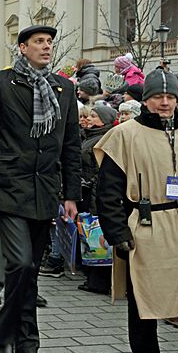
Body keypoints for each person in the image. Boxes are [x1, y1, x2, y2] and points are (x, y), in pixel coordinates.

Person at [0, 25, 80, 353]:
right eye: (39, 42)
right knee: (19, 264)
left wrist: (71, 194)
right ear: (23, 48)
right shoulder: (1, 83)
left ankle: (27, 347)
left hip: (44, 191)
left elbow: (71, 146)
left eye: (50, 42)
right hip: (8, 188)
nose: (46, 47)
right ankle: (5, 338)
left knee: (31, 273)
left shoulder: (63, 88)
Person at [95, 69, 178, 353]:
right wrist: (117, 231)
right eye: (157, 97)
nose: (164, 103)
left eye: (170, 97)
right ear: (146, 100)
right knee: (146, 297)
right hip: (149, 224)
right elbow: (108, 191)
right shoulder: (124, 136)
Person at [77, 104, 117, 295]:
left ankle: (98, 281)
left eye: (94, 116)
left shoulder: (105, 138)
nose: (90, 119)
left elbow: (101, 168)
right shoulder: (89, 136)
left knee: (97, 233)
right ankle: (92, 276)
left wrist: (89, 181)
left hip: (95, 190)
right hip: (86, 189)